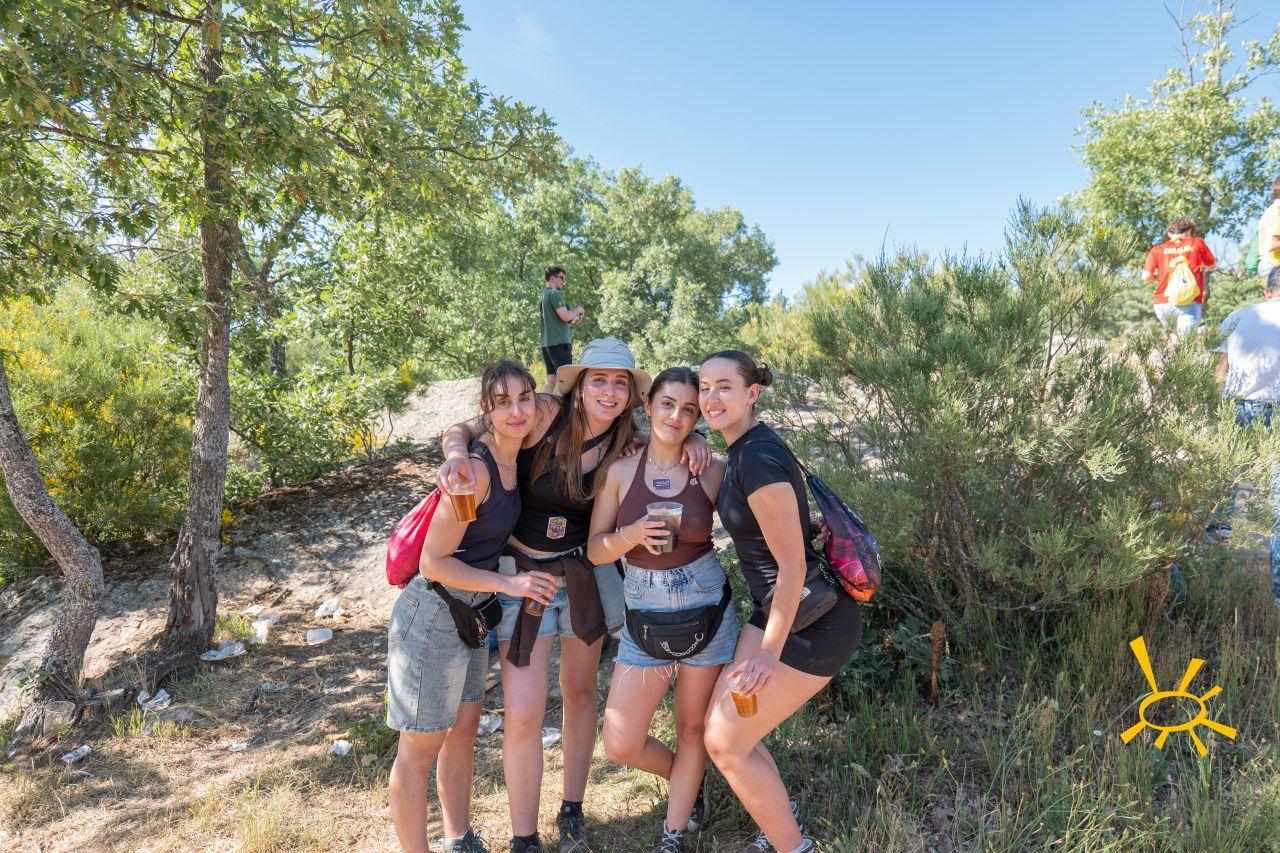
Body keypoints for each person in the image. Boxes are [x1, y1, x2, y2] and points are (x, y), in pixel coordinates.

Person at [436, 339, 710, 853]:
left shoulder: (630, 440)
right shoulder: (544, 413)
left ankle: (572, 811)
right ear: (579, 386)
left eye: (619, 383)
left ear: (631, 395)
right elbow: (466, 428)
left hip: (584, 575)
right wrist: (455, 455)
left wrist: (695, 437)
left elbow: (673, 434)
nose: (608, 391)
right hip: (523, 576)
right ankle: (524, 838)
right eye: (598, 380)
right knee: (523, 712)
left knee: (581, 695)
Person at [387, 360, 554, 853]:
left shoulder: (513, 452)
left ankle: (458, 838)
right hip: (434, 612)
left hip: (473, 614)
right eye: (503, 403)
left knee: (462, 731)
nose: (517, 411)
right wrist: (511, 584)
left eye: (525, 399)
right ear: (488, 409)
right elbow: (434, 562)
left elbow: (570, 399)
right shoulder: (475, 472)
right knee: (419, 749)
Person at [698, 350, 861, 853]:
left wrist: (769, 654)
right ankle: (780, 822)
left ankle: (794, 846)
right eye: (704, 387)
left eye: (725, 386)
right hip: (782, 609)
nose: (711, 398)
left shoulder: (757, 458)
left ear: (752, 393)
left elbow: (790, 565)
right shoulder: (746, 449)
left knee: (726, 742)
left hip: (813, 620)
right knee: (726, 733)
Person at [587, 367, 733, 853]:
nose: (676, 416)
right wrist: (630, 536)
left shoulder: (709, 470)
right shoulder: (621, 471)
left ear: (697, 418)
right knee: (621, 742)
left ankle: (674, 833)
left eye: (689, 410)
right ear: (648, 405)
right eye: (667, 404)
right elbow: (595, 550)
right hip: (643, 614)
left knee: (692, 727)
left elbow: (754, 526)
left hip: (706, 607)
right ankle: (689, 779)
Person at [1214, 266, 1280, 600]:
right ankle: (1278, 592)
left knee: (1224, 482)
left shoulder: (1238, 316)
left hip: (1237, 407)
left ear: (1267, 290)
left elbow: (1220, 373)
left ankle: (1213, 564)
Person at [1141, 218, 1216, 335]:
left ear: (1169, 234)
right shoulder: (1197, 243)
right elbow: (1212, 266)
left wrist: (1157, 277)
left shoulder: (1157, 249)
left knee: (1172, 339)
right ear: (1189, 232)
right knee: (1185, 343)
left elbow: (1146, 276)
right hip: (1189, 301)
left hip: (1163, 303)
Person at [539, 266, 585, 394]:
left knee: (551, 380)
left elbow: (565, 319)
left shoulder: (544, 295)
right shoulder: (554, 294)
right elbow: (565, 316)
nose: (564, 282)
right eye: (561, 278)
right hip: (559, 344)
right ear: (552, 278)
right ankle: (561, 407)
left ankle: (544, 406)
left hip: (547, 344)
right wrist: (578, 310)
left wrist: (575, 317)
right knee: (566, 381)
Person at [1257, 178, 1280, 284]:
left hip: (1269, 267)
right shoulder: (1278, 211)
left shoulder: (1270, 211)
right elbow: (1274, 245)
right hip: (1275, 267)